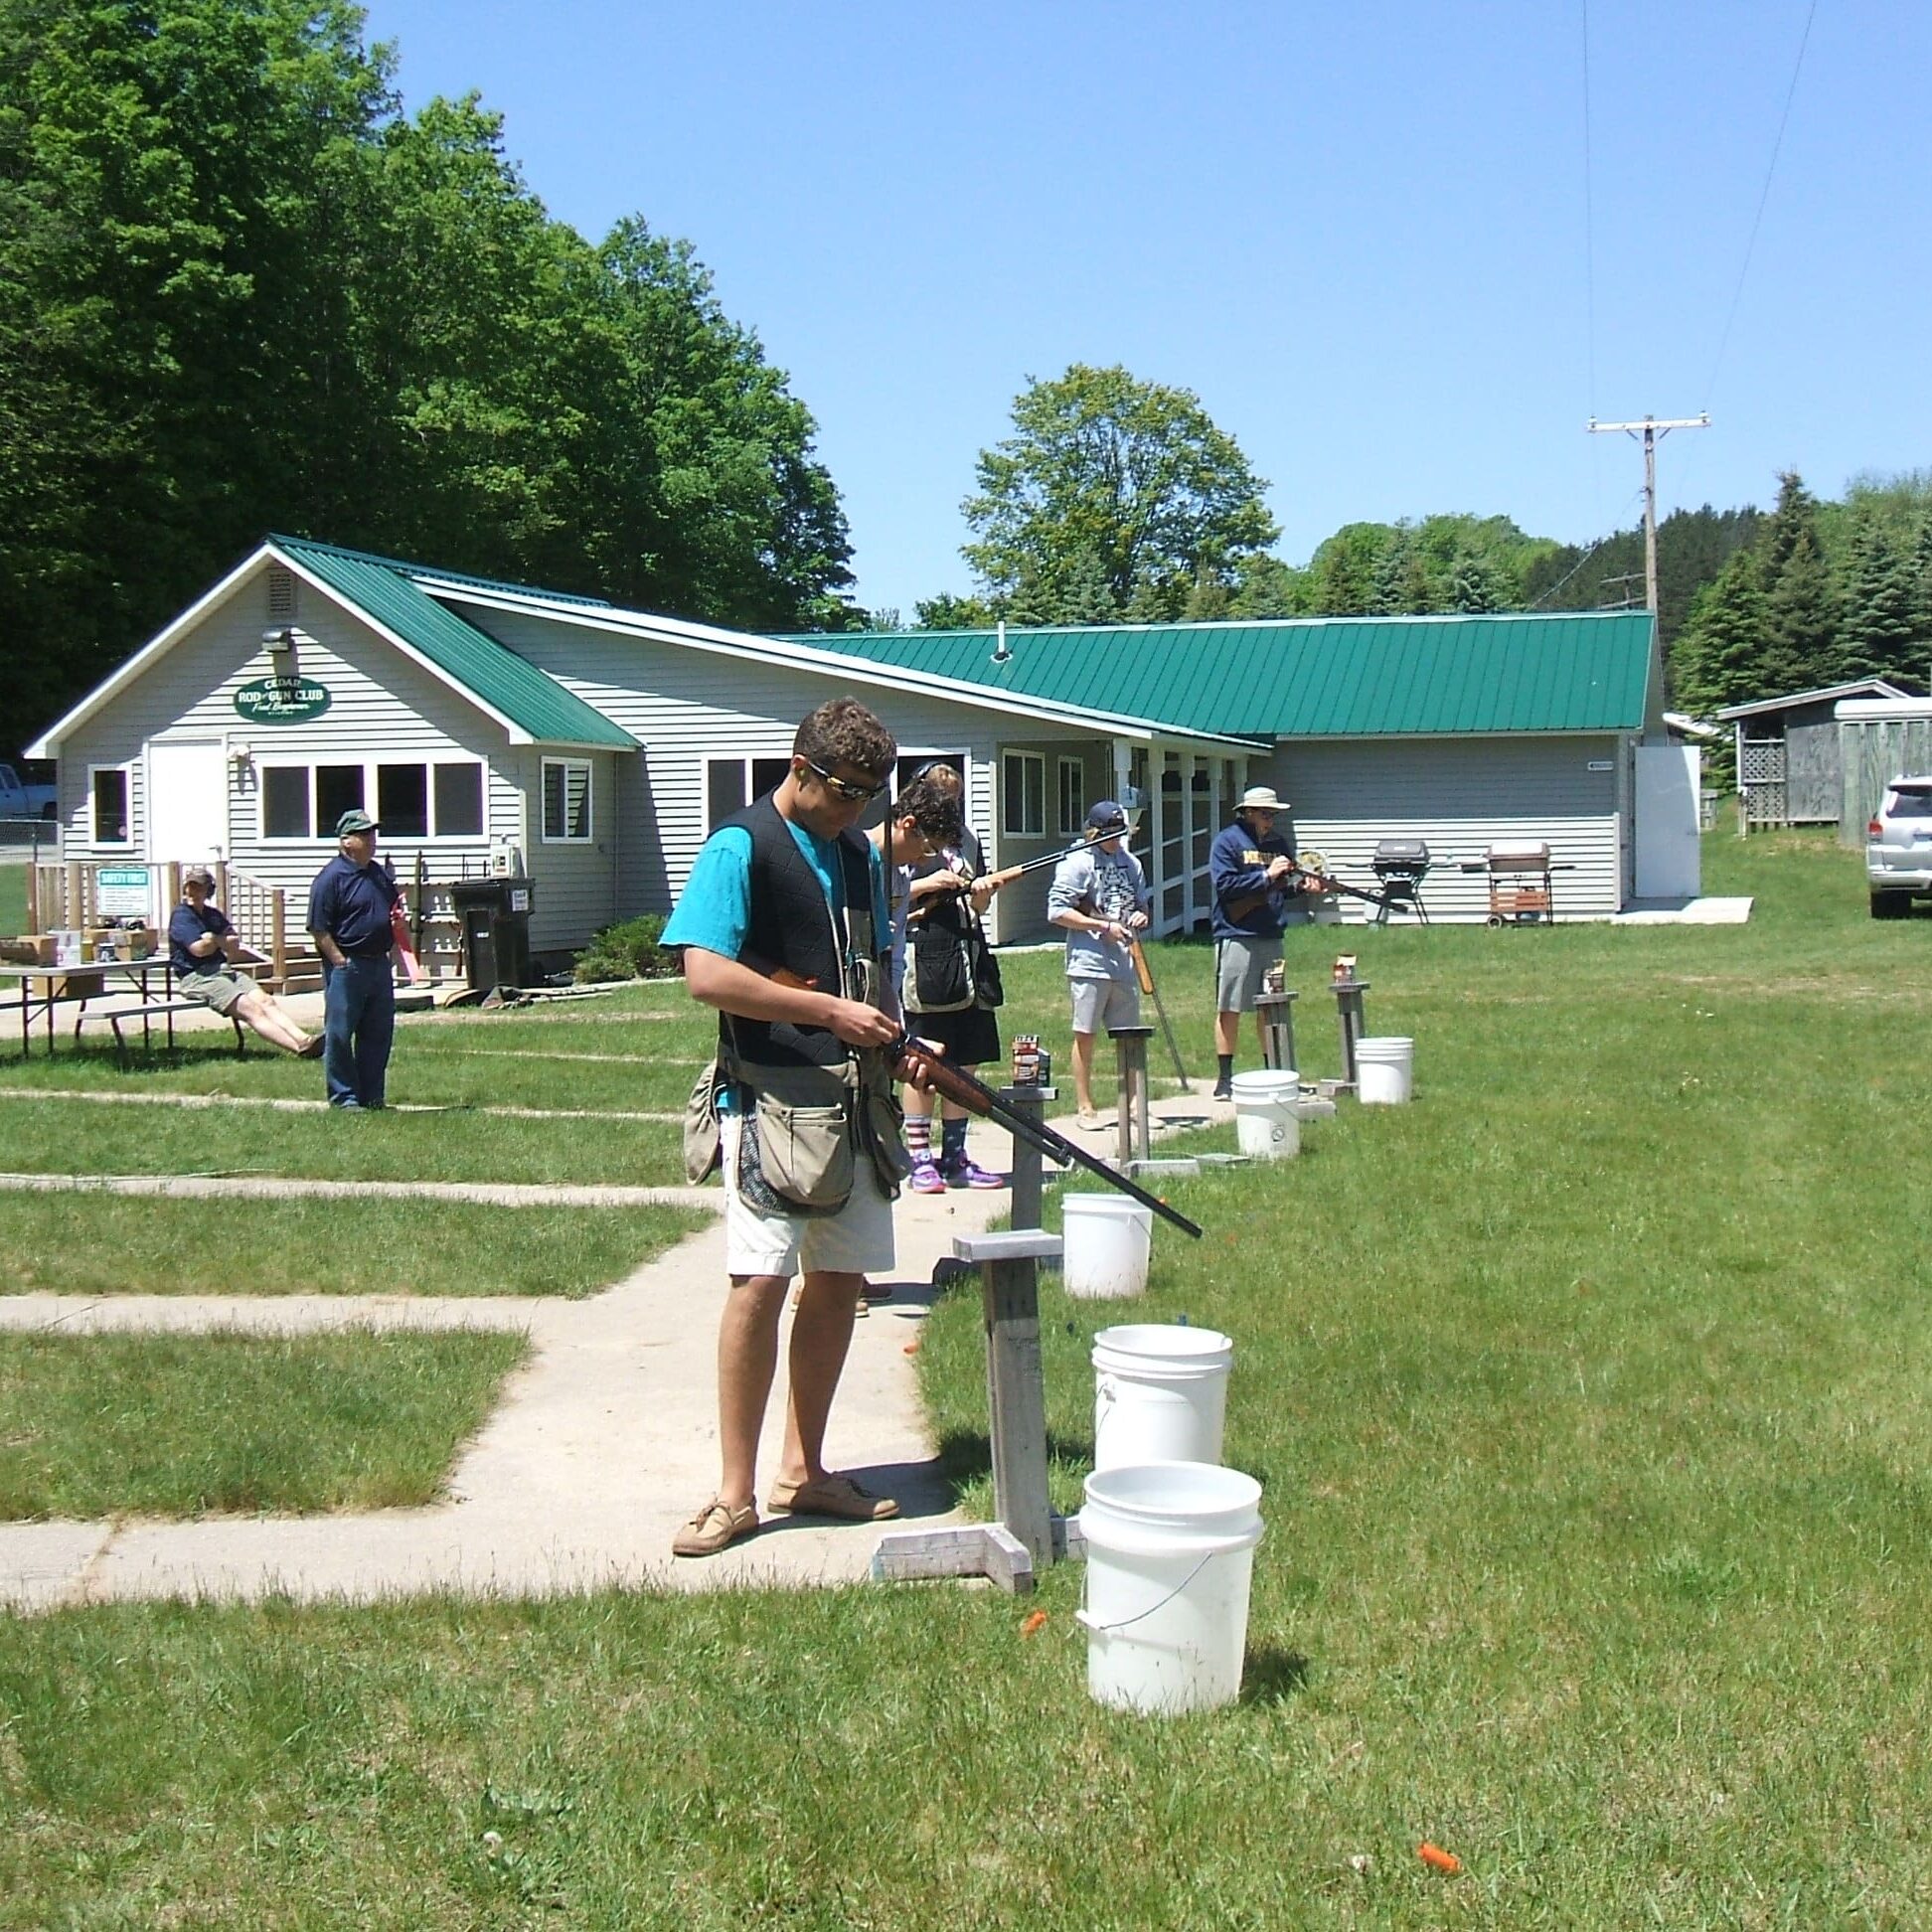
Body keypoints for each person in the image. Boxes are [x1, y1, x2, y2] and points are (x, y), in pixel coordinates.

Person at [664, 697, 935, 1559]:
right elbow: (705, 976)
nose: (858, 810)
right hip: (771, 1106)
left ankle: (805, 1471)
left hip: (856, 1106)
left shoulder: (858, 855)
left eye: (870, 795)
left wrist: (898, 1043)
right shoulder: (738, 845)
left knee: (838, 1283)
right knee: (759, 1285)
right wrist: (826, 1011)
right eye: (847, 791)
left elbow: (872, 973)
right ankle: (735, 1495)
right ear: (801, 768)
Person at [899, 763, 1005, 1193]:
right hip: (924, 959)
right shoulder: (904, 839)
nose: (949, 804)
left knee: (965, 1062)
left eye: (954, 796)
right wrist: (926, 885)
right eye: (940, 795)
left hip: (968, 953)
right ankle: (918, 1158)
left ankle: (955, 1156)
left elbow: (973, 903)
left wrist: (981, 899)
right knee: (925, 1062)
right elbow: (889, 897)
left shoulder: (969, 838)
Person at [1046, 800, 1152, 1128]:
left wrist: (1140, 915)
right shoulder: (1075, 864)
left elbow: (1142, 903)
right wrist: (1102, 926)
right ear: (1094, 833)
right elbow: (1057, 911)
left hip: (1124, 960)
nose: (1117, 840)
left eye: (1121, 833)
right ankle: (1085, 1106)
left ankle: (1134, 1105)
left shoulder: (1131, 862)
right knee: (1086, 1034)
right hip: (1088, 962)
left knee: (1130, 1036)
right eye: (1110, 834)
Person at [1208, 784, 1301, 1100]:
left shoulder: (1278, 844)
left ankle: (1274, 1070)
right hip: (1236, 935)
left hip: (1271, 933)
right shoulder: (1227, 842)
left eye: (1273, 814)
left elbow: (1284, 887)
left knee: (1271, 1007)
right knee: (1229, 1007)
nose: (1270, 819)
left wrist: (1304, 887)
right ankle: (1224, 1078)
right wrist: (1265, 875)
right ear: (1247, 812)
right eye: (1265, 813)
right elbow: (1225, 885)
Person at [168, 867, 323, 1056]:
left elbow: (234, 944)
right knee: (252, 1010)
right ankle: (300, 1050)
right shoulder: (182, 916)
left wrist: (213, 940)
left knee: (266, 1001)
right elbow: (198, 950)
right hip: (197, 977)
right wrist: (220, 942)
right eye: (190, 887)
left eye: (199, 887)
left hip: (223, 970)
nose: (193, 892)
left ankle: (304, 1039)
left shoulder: (212, 915)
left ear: (208, 890)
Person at [306, 807, 401, 1110]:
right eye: (364, 834)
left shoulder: (376, 873)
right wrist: (339, 961)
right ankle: (344, 1097)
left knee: (378, 1033)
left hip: (378, 964)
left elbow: (391, 911)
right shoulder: (330, 878)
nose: (372, 839)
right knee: (340, 1034)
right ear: (346, 841)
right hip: (348, 965)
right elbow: (318, 928)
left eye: (372, 833)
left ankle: (372, 1095)